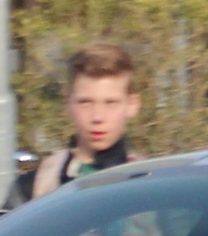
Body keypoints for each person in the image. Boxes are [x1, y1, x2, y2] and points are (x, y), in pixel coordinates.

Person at [26, 43, 140, 203]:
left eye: (111, 103)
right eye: (85, 102)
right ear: (68, 104)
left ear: (132, 105)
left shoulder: (153, 182)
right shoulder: (33, 187)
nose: (97, 117)